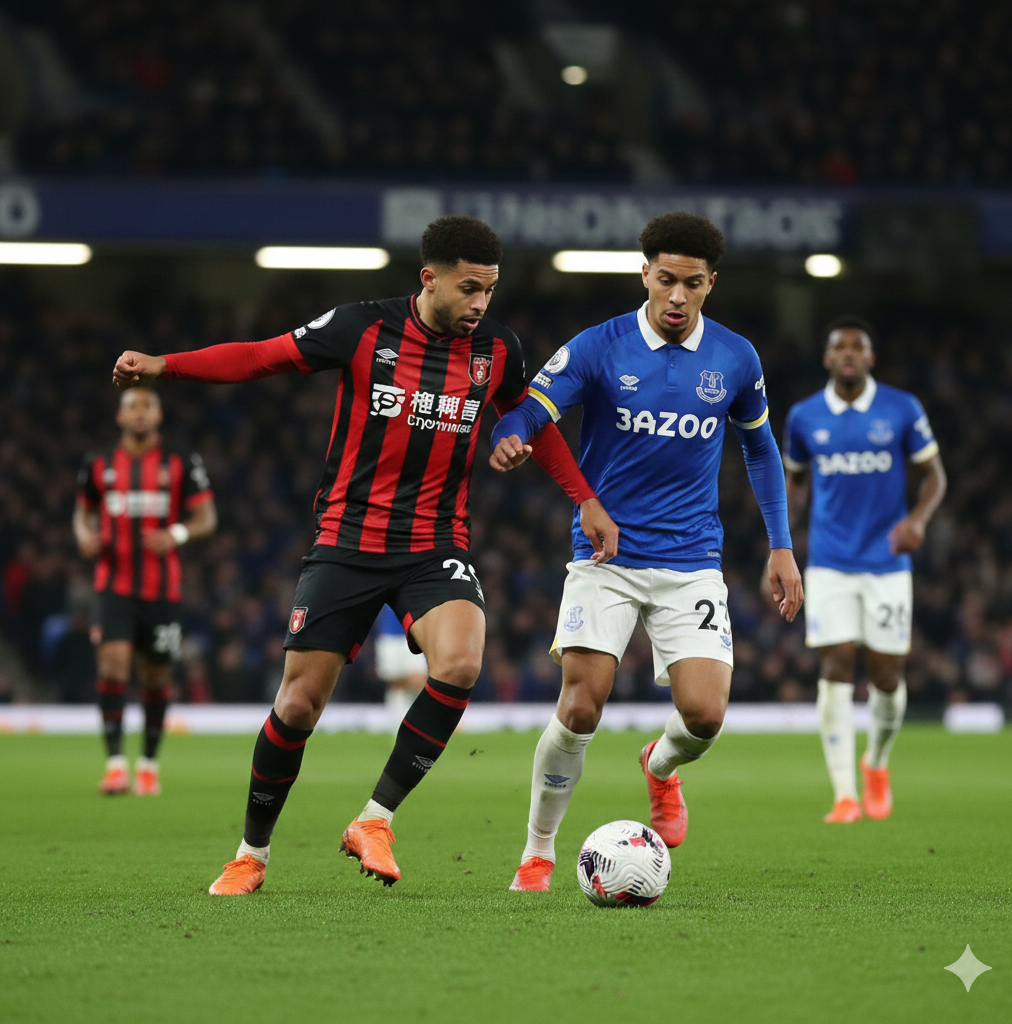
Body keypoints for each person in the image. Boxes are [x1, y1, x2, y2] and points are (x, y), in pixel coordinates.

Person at [111, 215, 617, 894]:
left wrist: (582, 497)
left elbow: (531, 417)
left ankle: (374, 819)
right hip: (347, 541)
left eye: (489, 292)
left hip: (436, 541)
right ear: (428, 277)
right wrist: (166, 366)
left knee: (463, 661)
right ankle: (251, 854)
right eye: (469, 288)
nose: (479, 305)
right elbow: (261, 355)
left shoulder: (498, 349)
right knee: (296, 707)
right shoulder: (361, 329)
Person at [489, 211, 803, 891]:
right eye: (666, 280)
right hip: (606, 556)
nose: (678, 297)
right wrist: (511, 435)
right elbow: (531, 408)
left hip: (691, 557)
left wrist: (781, 545)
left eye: (693, 283)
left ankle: (658, 768)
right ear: (645, 275)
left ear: (711, 283)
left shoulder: (735, 358)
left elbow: (758, 446)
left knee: (706, 715)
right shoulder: (600, 347)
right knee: (580, 706)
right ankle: (538, 851)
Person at [782, 316, 945, 823]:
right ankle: (845, 795)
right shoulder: (805, 417)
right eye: (840, 347)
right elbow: (795, 483)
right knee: (834, 666)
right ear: (827, 358)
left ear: (870, 358)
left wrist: (918, 520)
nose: (849, 353)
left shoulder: (901, 408)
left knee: (887, 676)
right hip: (830, 561)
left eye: (858, 347)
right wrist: (782, 539)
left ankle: (875, 762)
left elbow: (934, 477)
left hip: (887, 563)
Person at [74, 387, 217, 796]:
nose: (139, 413)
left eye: (147, 406)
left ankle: (149, 765)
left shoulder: (181, 462)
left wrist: (176, 532)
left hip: (161, 589)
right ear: (120, 418)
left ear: (158, 416)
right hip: (112, 586)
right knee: (113, 667)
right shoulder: (98, 463)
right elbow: (82, 511)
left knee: (156, 677)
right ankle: (116, 765)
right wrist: (85, 535)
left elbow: (207, 516)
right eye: (132, 407)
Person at [374, 606, 428, 726]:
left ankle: (427, 720)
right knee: (395, 682)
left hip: (414, 632)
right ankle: (400, 723)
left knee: (418, 680)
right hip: (388, 635)